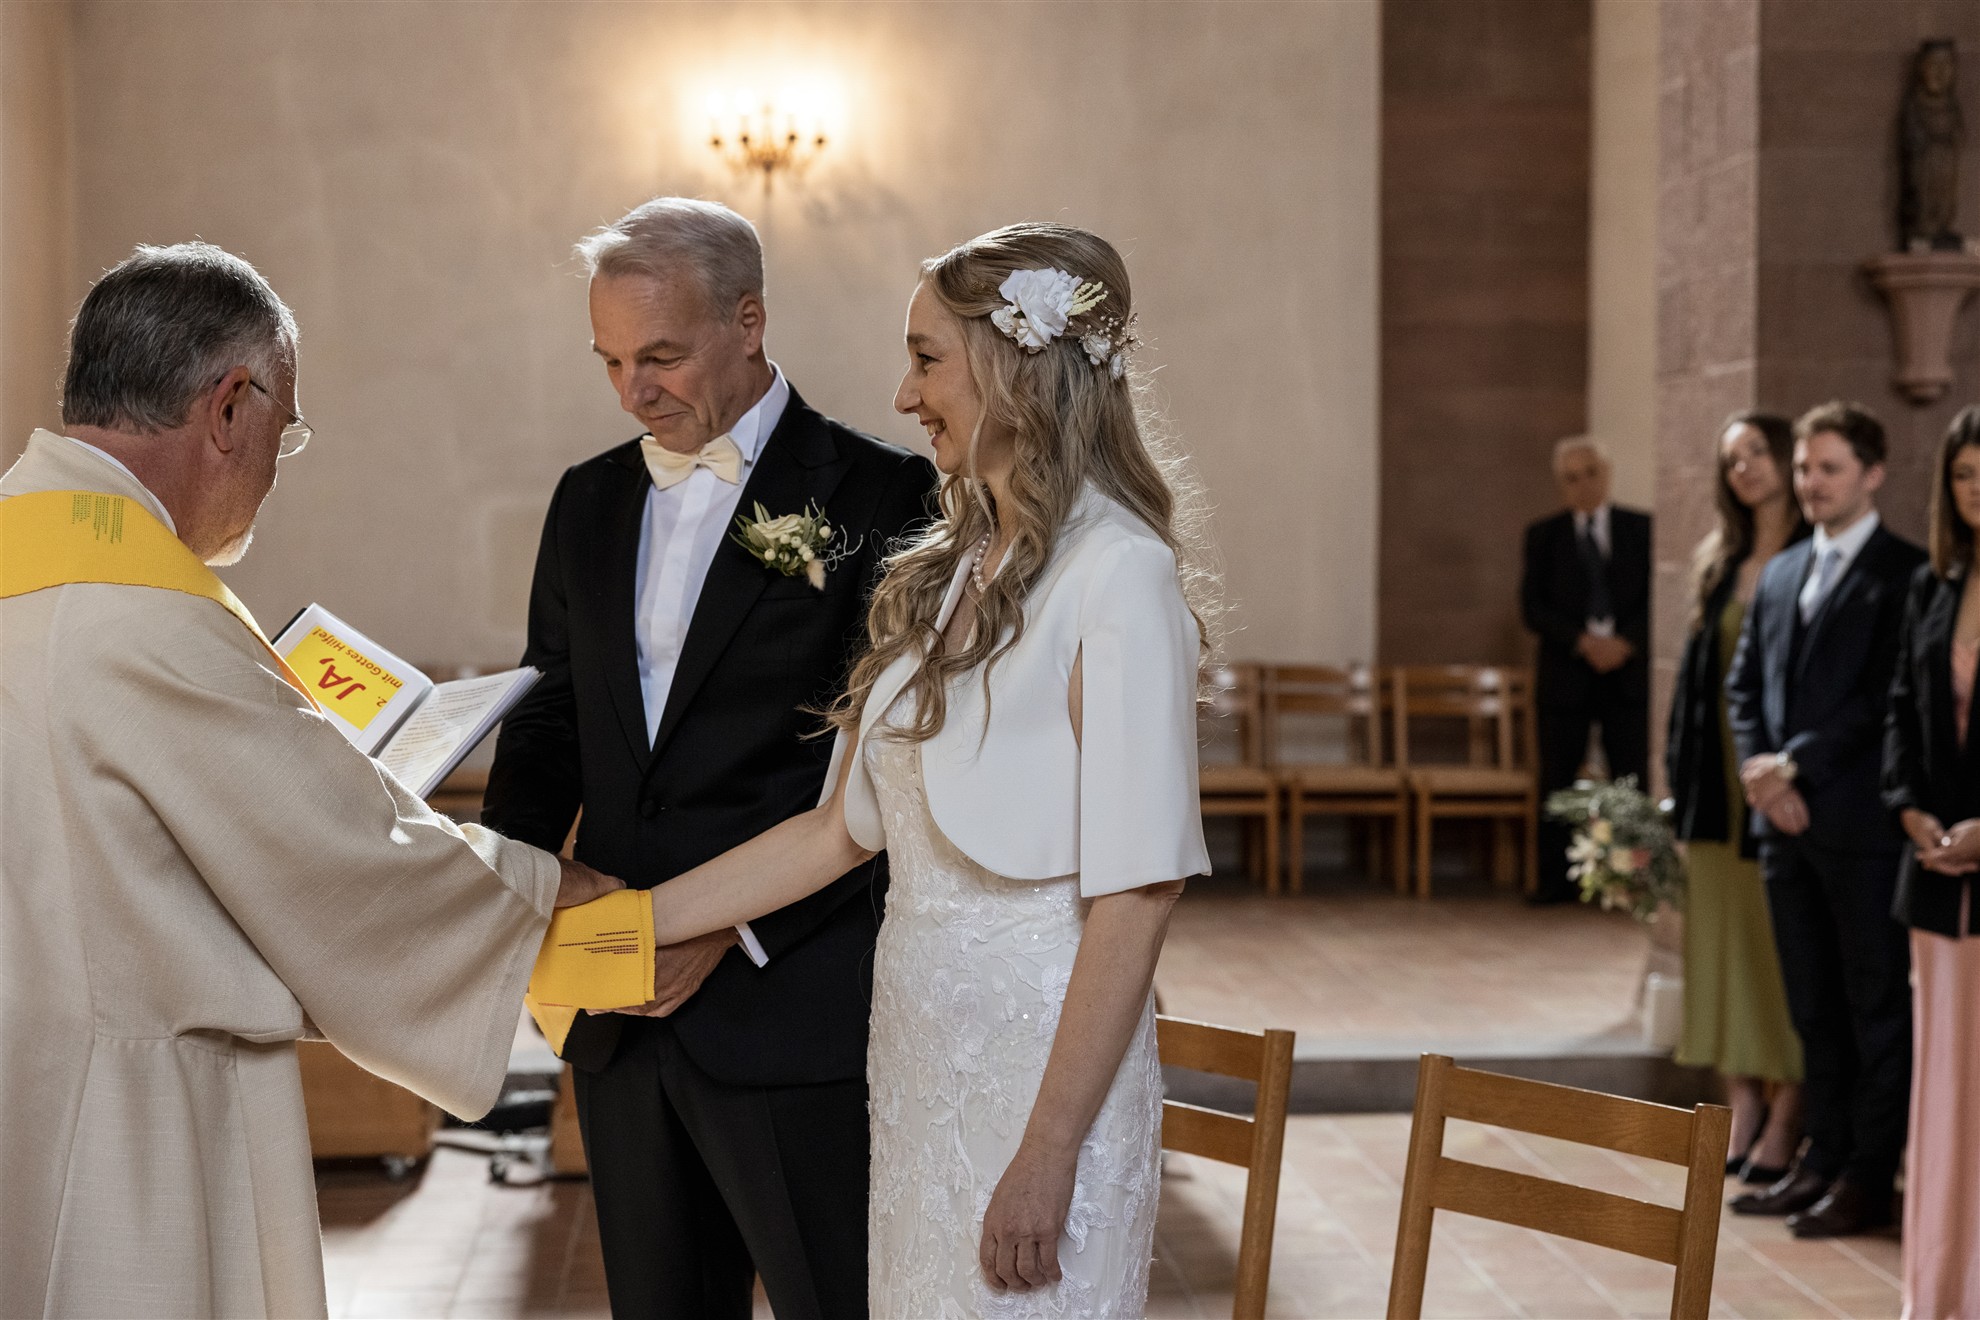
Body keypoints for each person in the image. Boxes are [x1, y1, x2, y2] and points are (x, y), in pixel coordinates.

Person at [582, 222, 1212, 1316]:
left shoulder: (1119, 573)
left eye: (927, 360)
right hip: (916, 1065)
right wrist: (620, 929)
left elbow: (1140, 892)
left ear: (1017, 367)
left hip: (1036, 1076)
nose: (903, 395)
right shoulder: (955, 567)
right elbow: (837, 832)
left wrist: (1048, 1152)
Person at [0, 243, 620, 1319]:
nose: (275, 465)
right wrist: (558, 891)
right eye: (283, 428)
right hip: (127, 1132)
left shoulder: (31, 553)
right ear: (228, 407)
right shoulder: (146, 620)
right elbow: (349, 862)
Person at [480, 198, 936, 1320]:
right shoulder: (586, 500)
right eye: (610, 361)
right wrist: (519, 877)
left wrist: (728, 930)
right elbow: (548, 715)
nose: (632, 392)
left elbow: (882, 780)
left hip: (788, 997)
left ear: (749, 321)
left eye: (662, 356)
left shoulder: (881, 494)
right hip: (619, 1011)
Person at [1726, 400, 1924, 1238]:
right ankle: (1820, 1160)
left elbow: (1887, 699)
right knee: (1812, 1010)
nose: (1810, 483)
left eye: (1828, 468)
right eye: (1804, 468)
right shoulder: (1780, 571)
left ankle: (1866, 1178)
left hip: (1860, 828)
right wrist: (1763, 775)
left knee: (1873, 1009)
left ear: (1873, 474)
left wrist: (1795, 763)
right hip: (1784, 828)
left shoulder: (1907, 573)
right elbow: (1743, 687)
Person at [1665, 411, 1807, 1182]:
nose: (1744, 467)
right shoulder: (1718, 560)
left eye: (1756, 452)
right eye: (1731, 458)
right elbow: (1694, 685)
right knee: (1718, 950)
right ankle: (1740, 1104)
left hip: (1780, 783)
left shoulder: (1812, 555)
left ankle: (1789, 1110)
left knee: (1779, 951)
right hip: (1713, 785)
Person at [1881, 404, 1980, 1316]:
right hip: (1936, 881)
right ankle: (1942, 1292)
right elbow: (1901, 713)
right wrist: (1910, 811)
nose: (1977, 489)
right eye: (1964, 474)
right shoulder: (1930, 586)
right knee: (1942, 1092)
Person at [1522, 437, 1652, 902]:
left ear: (1607, 472)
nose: (1583, 485)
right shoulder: (1544, 536)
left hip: (1626, 673)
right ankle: (1555, 882)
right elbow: (1533, 607)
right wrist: (1582, 642)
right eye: (1571, 478)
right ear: (1561, 485)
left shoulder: (1642, 529)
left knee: (1630, 780)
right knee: (1558, 782)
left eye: (1590, 473)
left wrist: (1625, 642)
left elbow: (1659, 595)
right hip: (1567, 675)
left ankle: (1633, 880)